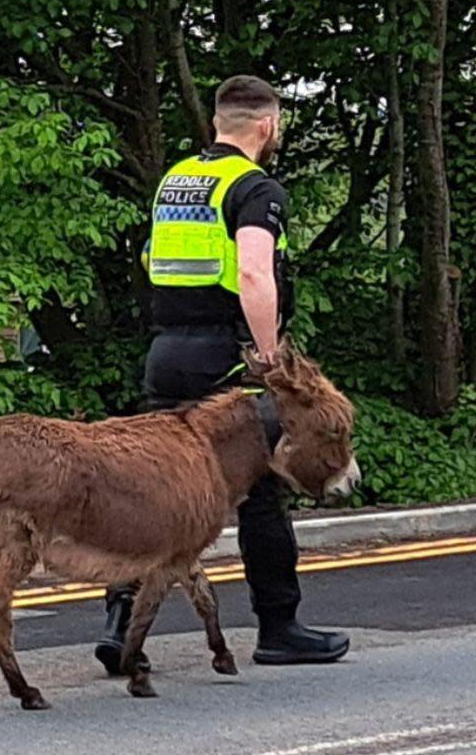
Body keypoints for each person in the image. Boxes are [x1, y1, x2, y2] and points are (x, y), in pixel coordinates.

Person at [94, 75, 350, 675]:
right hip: (226, 360)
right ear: (267, 125)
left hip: (166, 352)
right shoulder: (255, 188)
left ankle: (119, 622)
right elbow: (255, 275)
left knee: (153, 492)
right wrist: (270, 362)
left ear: (217, 122)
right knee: (260, 492)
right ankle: (280, 628)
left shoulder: (176, 181)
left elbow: (153, 261)